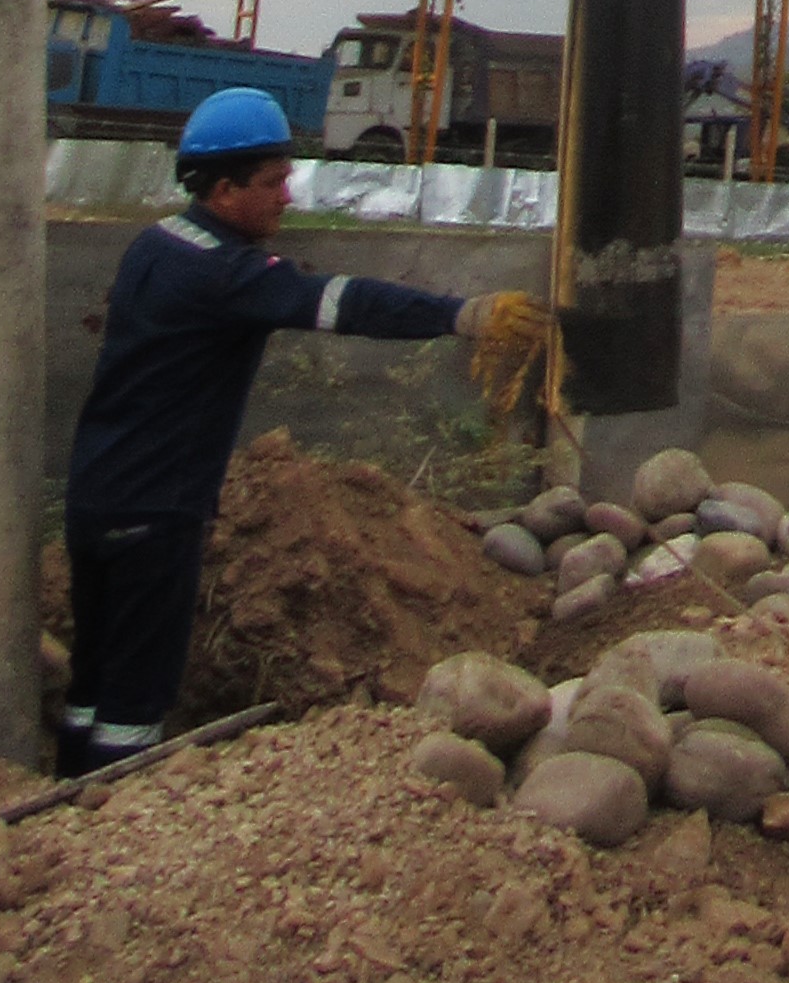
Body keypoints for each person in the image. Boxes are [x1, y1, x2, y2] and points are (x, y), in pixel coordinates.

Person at [58, 86, 539, 773]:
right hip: (156, 508)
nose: (289, 194)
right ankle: (101, 825)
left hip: (98, 493)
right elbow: (340, 302)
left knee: (92, 678)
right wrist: (462, 314)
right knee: (137, 695)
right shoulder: (222, 273)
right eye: (274, 181)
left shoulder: (156, 244)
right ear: (224, 190)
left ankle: (58, 793)